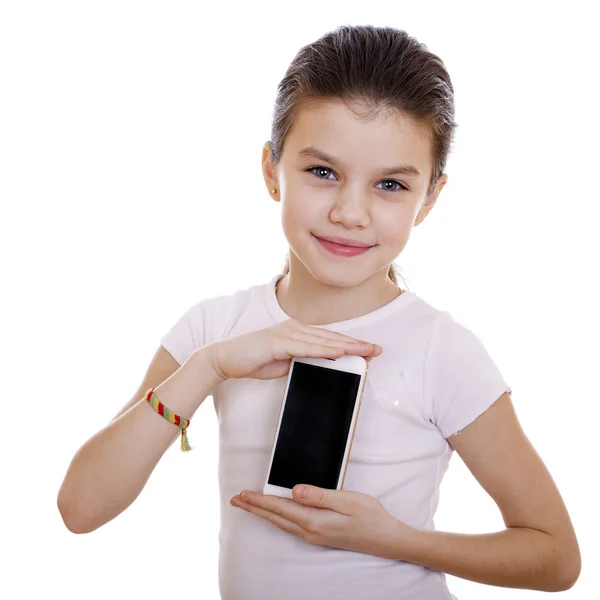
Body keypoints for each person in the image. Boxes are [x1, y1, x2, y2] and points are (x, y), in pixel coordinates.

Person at [57, 24, 580, 600]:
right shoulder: (213, 330)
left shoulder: (440, 348)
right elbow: (81, 508)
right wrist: (208, 368)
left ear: (429, 198)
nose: (351, 212)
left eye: (390, 184)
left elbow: (555, 555)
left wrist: (393, 538)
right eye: (323, 172)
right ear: (270, 169)